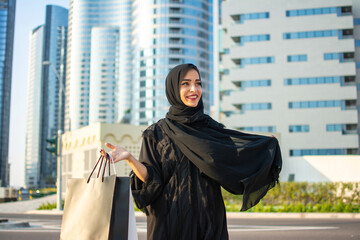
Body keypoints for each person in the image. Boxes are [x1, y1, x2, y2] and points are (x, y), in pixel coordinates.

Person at [102, 63, 282, 240]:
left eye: (198, 83)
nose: (193, 89)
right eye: (185, 84)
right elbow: (151, 178)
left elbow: (235, 160)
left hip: (209, 221)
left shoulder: (211, 129)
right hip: (169, 223)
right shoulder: (156, 133)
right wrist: (130, 158)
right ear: (173, 88)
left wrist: (264, 148)